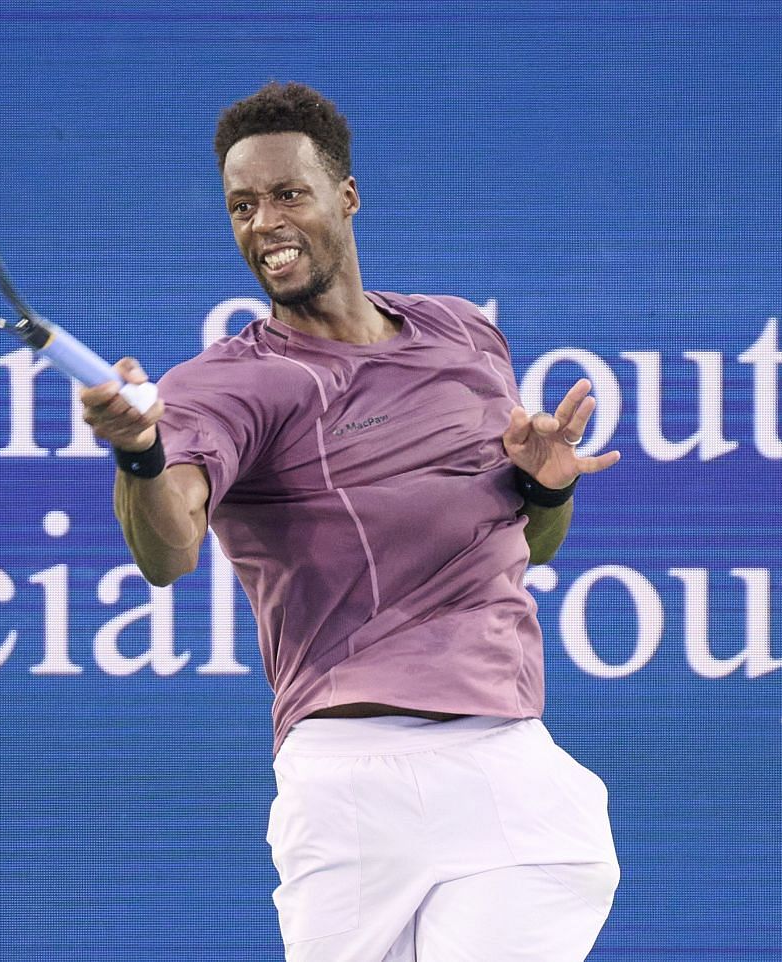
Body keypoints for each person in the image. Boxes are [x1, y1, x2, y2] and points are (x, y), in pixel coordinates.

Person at [80, 81, 621, 962]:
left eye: (287, 194)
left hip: (512, 768)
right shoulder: (226, 386)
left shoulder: (465, 337)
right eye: (242, 206)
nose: (264, 223)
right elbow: (168, 551)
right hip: (352, 781)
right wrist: (140, 455)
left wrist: (547, 491)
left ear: (347, 195)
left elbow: (526, 549)